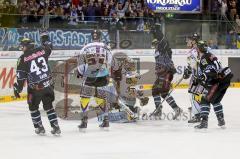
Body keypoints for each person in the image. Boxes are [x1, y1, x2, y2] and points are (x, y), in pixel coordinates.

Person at [13, 33, 61, 135]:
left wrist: (18, 89)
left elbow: (21, 78)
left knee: (33, 107)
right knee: (48, 106)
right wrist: (45, 38)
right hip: (48, 85)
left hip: (35, 89)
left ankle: (39, 128)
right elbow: (50, 46)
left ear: (28, 46)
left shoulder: (22, 59)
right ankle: (55, 127)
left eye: (23, 46)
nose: (22, 49)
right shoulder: (42, 50)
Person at [76, 30, 113, 130]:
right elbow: (110, 61)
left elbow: (80, 61)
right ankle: (106, 121)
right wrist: (106, 70)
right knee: (101, 98)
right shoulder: (106, 47)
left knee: (85, 97)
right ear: (100, 36)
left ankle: (84, 122)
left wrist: (80, 72)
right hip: (102, 75)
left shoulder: (86, 47)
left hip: (90, 75)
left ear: (92, 36)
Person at [194, 41, 233, 129]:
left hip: (216, 81)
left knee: (205, 100)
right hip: (224, 80)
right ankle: (221, 120)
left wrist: (203, 76)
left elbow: (210, 69)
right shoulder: (210, 54)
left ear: (199, 49)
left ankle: (204, 122)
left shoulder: (204, 57)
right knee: (215, 100)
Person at [150, 23, 182, 119]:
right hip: (161, 74)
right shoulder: (156, 52)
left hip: (167, 72)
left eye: (155, 44)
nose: (154, 46)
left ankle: (175, 109)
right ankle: (160, 109)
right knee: (157, 91)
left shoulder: (164, 49)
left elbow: (162, 40)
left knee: (161, 91)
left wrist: (157, 31)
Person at [183, 33, 203, 123]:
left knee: (193, 95)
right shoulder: (203, 48)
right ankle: (199, 111)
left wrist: (188, 71)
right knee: (197, 96)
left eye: (189, 39)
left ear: (194, 41)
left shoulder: (193, 51)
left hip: (197, 77)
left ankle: (197, 115)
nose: (187, 41)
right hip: (204, 76)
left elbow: (194, 65)